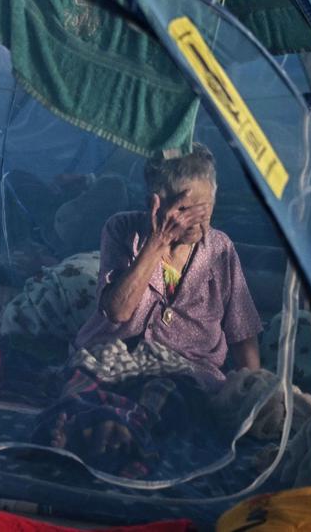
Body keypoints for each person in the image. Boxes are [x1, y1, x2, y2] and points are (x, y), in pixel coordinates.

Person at [74, 143, 262, 391]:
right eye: (183, 209)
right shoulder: (121, 228)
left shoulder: (219, 248)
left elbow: (242, 332)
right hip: (112, 358)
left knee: (164, 400)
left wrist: (253, 390)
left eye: (203, 209)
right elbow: (117, 311)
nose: (195, 221)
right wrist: (157, 242)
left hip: (189, 373)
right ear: (155, 203)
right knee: (85, 403)